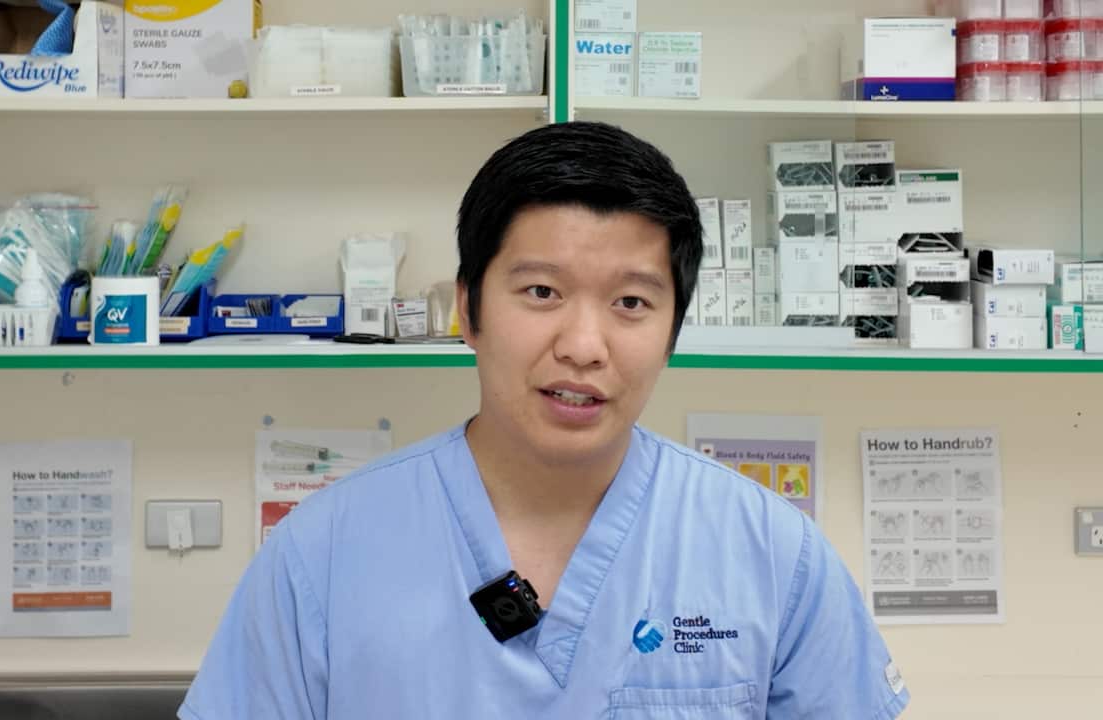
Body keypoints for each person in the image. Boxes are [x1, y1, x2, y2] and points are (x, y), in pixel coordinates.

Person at [179, 122, 909, 719]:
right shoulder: (320, 555)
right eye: (541, 290)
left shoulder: (774, 554)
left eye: (631, 303)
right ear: (467, 309)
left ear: (674, 330)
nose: (583, 348)